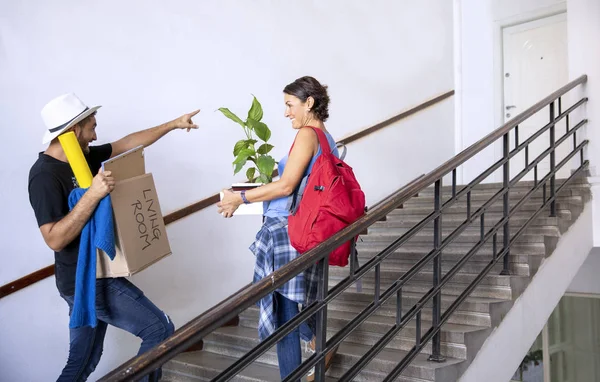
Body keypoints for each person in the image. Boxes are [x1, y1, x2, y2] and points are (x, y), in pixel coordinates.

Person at [28, 92, 199, 382]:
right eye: (91, 127)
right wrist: (93, 194)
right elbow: (55, 239)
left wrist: (172, 124)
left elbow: (127, 143)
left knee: (83, 363)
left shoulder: (81, 156)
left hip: (93, 276)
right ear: (73, 130)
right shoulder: (43, 176)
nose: (95, 136)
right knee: (159, 329)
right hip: (85, 280)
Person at [218, 76, 338, 381]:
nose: (286, 112)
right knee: (288, 303)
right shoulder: (327, 139)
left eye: (290, 104)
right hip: (302, 229)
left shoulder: (308, 136)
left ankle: (296, 370)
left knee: (283, 312)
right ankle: (317, 342)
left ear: (308, 103)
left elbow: (286, 187)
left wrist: (240, 198)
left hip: (286, 230)